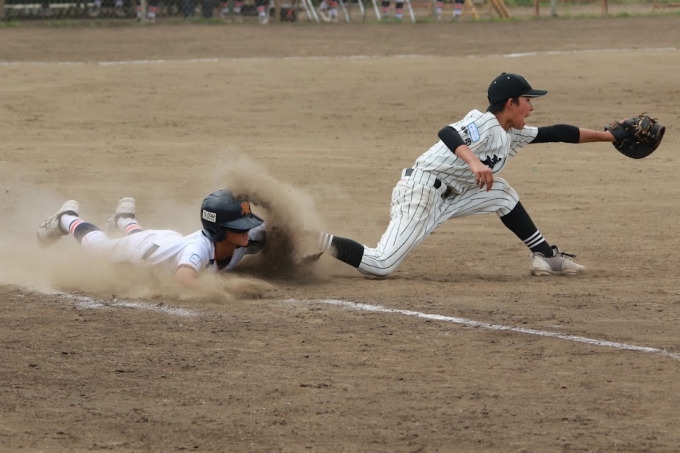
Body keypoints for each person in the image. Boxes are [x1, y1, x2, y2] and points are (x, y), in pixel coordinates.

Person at [313, 73, 621, 277]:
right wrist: (474, 162)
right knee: (381, 264)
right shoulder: (483, 123)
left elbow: (557, 133)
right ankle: (309, 239)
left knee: (501, 192)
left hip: (451, 196)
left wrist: (609, 136)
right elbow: (447, 132)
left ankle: (545, 256)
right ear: (510, 103)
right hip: (421, 192)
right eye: (527, 100)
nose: (531, 106)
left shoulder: (510, 131)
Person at [35, 190, 266, 289]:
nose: (247, 230)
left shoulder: (243, 238)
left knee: (147, 242)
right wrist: (223, 291)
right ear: (218, 230)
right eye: (238, 226)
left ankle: (123, 219)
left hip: (165, 243)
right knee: (99, 249)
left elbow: (274, 229)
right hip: (142, 250)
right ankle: (66, 218)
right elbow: (184, 277)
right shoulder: (198, 248)